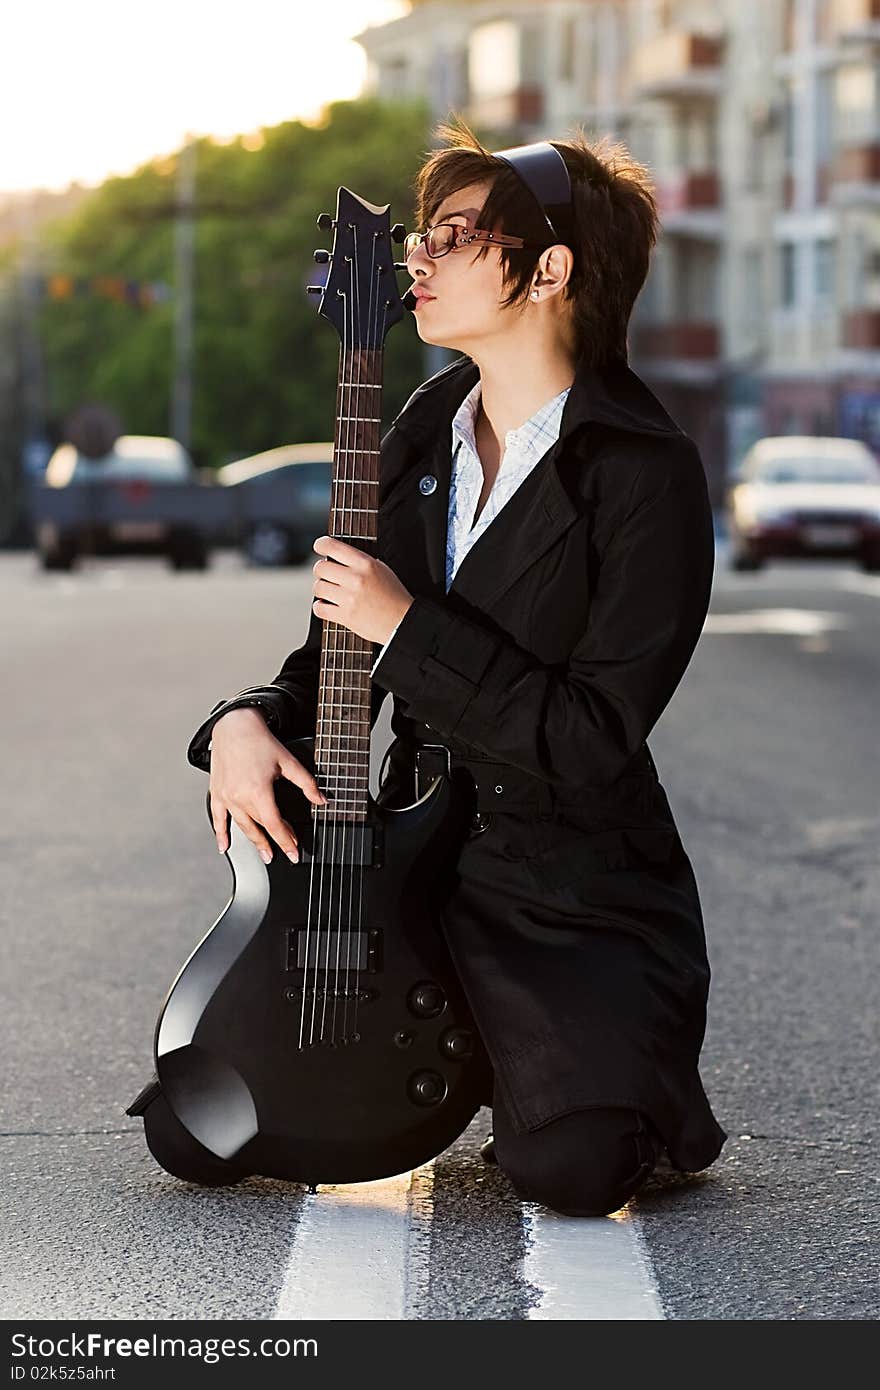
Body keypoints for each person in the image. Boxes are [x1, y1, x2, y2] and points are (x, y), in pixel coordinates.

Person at [183, 117, 727, 1215]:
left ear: (551, 270)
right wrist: (241, 722)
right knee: (202, 1136)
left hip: (571, 891)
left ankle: (615, 1074)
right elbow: (333, 652)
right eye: (422, 237)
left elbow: (588, 737)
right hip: (399, 880)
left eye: (456, 235)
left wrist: (408, 629)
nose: (415, 260)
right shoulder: (428, 424)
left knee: (569, 1172)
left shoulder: (644, 473)